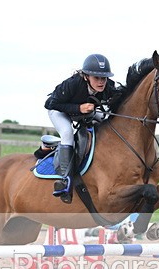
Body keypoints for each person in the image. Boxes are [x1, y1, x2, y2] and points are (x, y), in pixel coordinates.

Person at [45, 53, 117, 202]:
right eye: (96, 78)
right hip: (59, 110)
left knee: (106, 123)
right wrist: (78, 108)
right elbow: (50, 103)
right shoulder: (72, 84)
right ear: (86, 76)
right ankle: (65, 181)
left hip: (85, 112)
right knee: (67, 133)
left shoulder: (109, 86)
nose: (101, 82)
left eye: (104, 78)